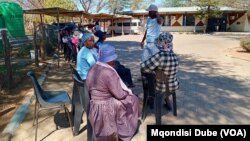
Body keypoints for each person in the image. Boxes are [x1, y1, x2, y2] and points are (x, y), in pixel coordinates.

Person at [86, 44, 139, 141]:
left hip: (94, 104)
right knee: (134, 99)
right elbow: (119, 95)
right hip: (106, 106)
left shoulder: (93, 67)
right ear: (110, 59)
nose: (114, 61)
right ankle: (126, 130)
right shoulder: (109, 72)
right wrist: (127, 93)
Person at [140, 32, 179, 111]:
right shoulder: (174, 56)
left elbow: (143, 67)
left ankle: (150, 99)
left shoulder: (160, 55)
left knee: (147, 75)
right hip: (173, 85)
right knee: (160, 75)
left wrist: (153, 69)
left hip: (162, 86)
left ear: (161, 43)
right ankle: (167, 101)